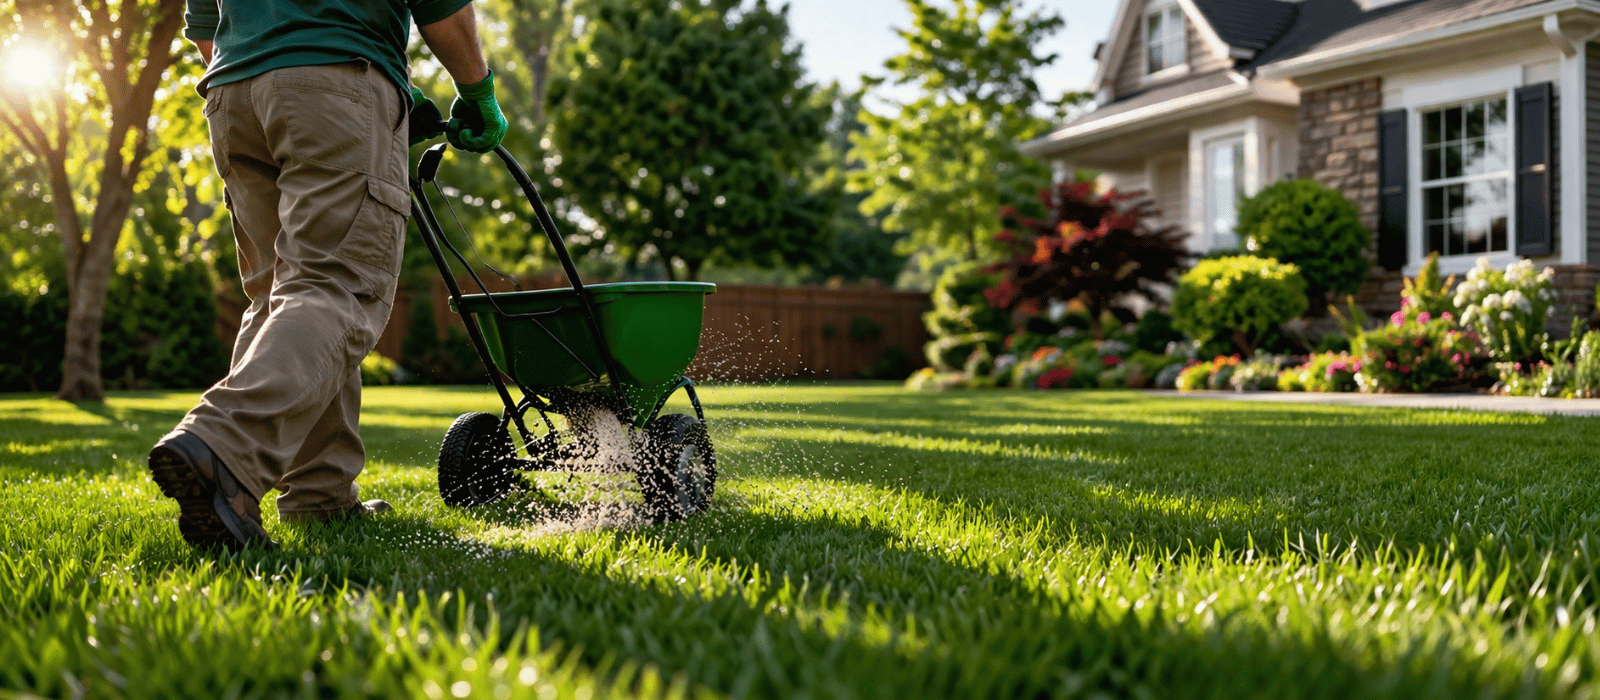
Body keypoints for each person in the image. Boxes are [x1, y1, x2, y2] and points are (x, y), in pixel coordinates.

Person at [147, 0, 508, 550]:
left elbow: (204, 25)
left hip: (233, 93)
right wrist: (476, 90)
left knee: (281, 298)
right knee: (337, 287)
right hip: (337, 70)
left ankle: (320, 497)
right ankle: (222, 446)